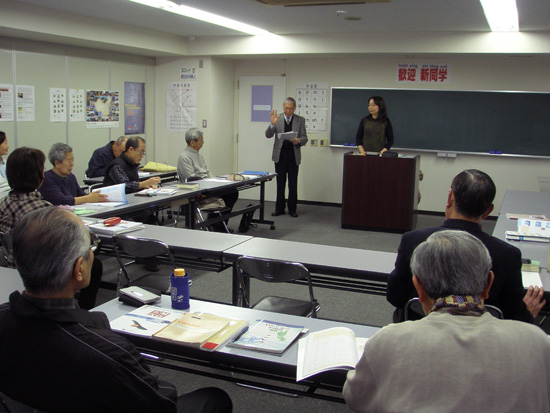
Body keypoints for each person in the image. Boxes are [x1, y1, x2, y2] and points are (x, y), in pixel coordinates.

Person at [0, 207, 233, 413]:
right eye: (91, 246)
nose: (92, 252)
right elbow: (161, 402)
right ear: (79, 269)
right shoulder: (106, 353)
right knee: (214, 398)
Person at [343, 230, 550, 413]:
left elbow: (356, 398)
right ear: (488, 284)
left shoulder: (388, 341)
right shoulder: (537, 342)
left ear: (418, 287)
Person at [387, 169, 545, 323]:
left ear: (450, 197)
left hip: (420, 329)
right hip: (482, 341)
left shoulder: (413, 240)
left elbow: (395, 296)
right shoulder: (507, 254)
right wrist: (528, 316)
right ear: (488, 211)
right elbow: (513, 314)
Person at [0, 147, 103, 309]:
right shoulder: (43, 211)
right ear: (39, 176)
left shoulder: (4, 203)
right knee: (93, 264)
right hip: (41, 274)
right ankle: (84, 310)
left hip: (9, 267)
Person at [177, 128, 238, 231]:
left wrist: (216, 181)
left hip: (207, 186)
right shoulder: (184, 157)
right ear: (192, 142)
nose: (203, 142)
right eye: (201, 140)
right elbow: (191, 179)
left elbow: (207, 171)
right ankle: (215, 224)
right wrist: (210, 184)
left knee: (232, 191)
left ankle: (217, 224)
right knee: (230, 193)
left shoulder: (198, 154)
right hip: (197, 191)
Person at [265, 97, 308, 218]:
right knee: (280, 183)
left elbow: (305, 138)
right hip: (280, 156)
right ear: (283, 107)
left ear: (294, 108)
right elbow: (268, 135)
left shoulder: (300, 120)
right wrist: (272, 124)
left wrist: (298, 140)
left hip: (293, 155)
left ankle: (292, 209)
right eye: (286, 108)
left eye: (290, 108)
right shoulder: (277, 119)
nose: (288, 111)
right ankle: (279, 209)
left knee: (293, 184)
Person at [38, 142, 108, 205]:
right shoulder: (46, 178)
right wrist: (88, 198)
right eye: (69, 160)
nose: (72, 164)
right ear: (57, 163)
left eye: (73, 160)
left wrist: (94, 197)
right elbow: (60, 200)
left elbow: (81, 194)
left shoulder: (71, 177)